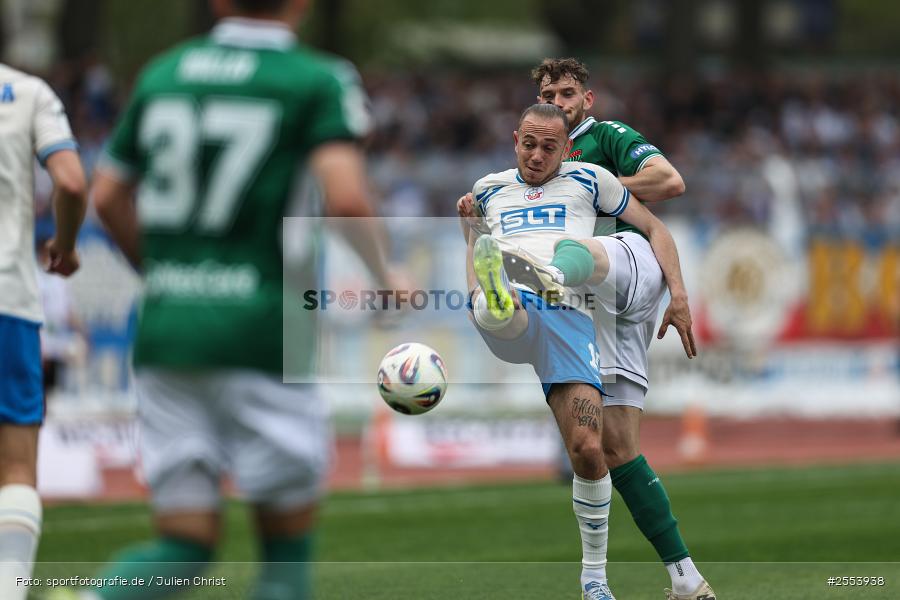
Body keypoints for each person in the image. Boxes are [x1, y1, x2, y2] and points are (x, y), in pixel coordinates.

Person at [65, 1, 396, 599]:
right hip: (265, 332)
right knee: (283, 561)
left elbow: (109, 195)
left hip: (168, 331)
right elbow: (347, 197)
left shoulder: (165, 73)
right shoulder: (316, 79)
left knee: (184, 546)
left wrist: (166, 272)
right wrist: (387, 275)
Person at [463, 102, 692, 600]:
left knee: (589, 450)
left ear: (567, 148)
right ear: (514, 138)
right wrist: (473, 260)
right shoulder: (488, 188)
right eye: (529, 144)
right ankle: (494, 300)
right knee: (502, 302)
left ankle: (593, 580)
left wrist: (678, 294)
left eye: (549, 147)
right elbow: (474, 249)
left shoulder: (591, 179)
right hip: (518, 305)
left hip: (569, 318)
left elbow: (655, 228)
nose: (537, 155)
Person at [532, 57, 715, 600]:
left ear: (586, 101)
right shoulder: (539, 162)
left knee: (576, 251)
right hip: (596, 308)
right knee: (615, 448)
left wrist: (596, 187)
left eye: (568, 93)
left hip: (626, 270)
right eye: (549, 94)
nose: (559, 102)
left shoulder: (604, 138)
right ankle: (685, 578)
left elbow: (670, 181)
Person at [0, 62, 87, 600]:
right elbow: (72, 182)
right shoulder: (26, 91)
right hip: (7, 298)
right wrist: (67, 242)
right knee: (15, 466)